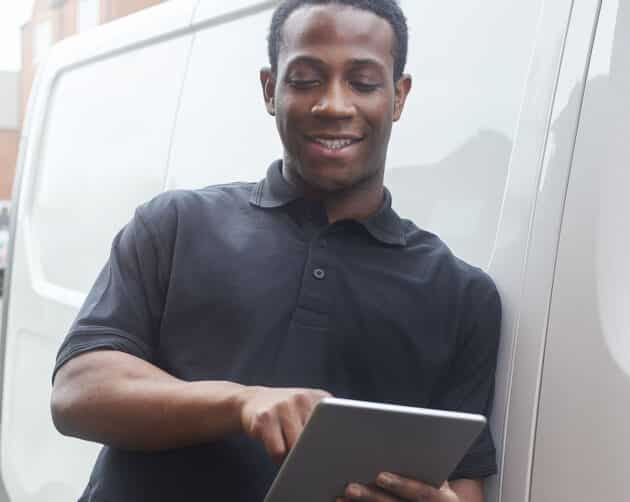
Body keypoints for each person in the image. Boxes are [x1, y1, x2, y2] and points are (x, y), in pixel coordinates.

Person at [51, 1, 501, 501]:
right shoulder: (175, 224)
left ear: (398, 96)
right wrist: (241, 403)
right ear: (271, 89)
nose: (334, 104)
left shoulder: (462, 295)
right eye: (306, 78)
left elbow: (465, 481)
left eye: (364, 82)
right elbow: (77, 393)